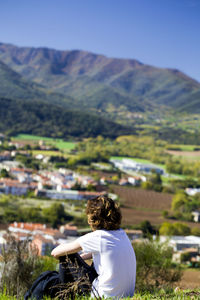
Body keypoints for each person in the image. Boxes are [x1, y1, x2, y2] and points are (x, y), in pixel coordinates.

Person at [51, 195, 136, 298]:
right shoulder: (122, 234)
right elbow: (105, 251)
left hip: (102, 296)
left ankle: (63, 296)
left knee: (66, 256)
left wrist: (74, 257)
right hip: (126, 295)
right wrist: (81, 258)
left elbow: (55, 253)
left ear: (93, 218)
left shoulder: (98, 236)